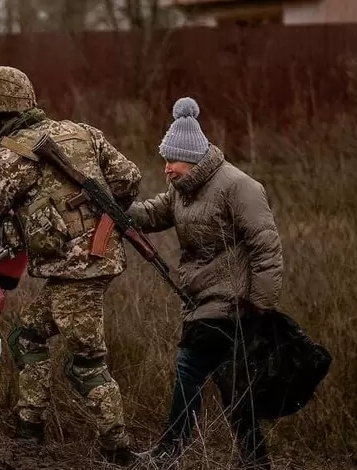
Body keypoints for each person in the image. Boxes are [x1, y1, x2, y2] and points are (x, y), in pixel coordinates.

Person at [0, 66, 142, 465]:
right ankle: (30, 427)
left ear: (3, 110)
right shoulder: (82, 132)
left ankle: (120, 450)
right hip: (95, 261)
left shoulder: (6, 159)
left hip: (76, 272)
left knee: (86, 364)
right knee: (27, 337)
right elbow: (129, 180)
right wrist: (92, 216)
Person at [127, 97, 284, 469]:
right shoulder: (184, 190)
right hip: (200, 301)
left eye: (173, 161)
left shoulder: (239, 187)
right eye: (164, 161)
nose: (166, 169)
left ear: (194, 159)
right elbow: (150, 215)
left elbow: (268, 250)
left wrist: (259, 308)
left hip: (233, 303)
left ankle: (169, 450)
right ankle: (256, 460)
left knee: (189, 367)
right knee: (232, 386)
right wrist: (116, 206)